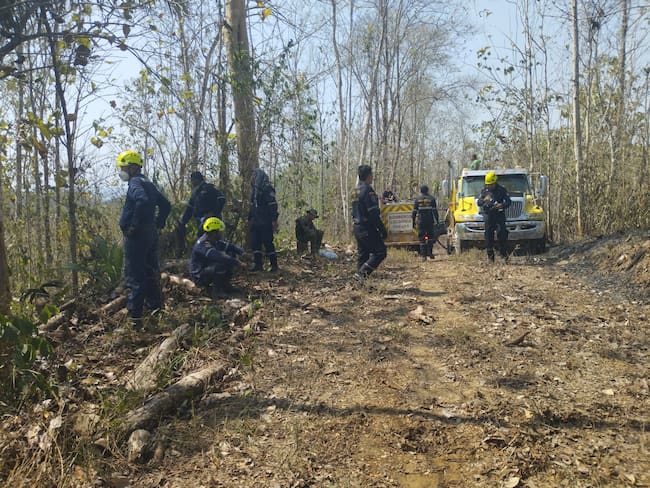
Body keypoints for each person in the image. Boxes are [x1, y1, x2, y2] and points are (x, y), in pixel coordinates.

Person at [117, 150, 171, 329]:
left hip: (137, 237)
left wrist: (134, 226)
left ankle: (135, 320)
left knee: (135, 276)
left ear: (132, 168)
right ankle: (155, 310)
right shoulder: (148, 182)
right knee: (150, 272)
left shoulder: (135, 183)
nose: (122, 171)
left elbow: (142, 200)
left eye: (123, 168)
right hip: (150, 234)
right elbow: (166, 205)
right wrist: (159, 222)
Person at [190, 217, 246, 298]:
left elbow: (230, 247)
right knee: (221, 264)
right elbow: (218, 256)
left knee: (231, 254)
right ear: (214, 232)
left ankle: (225, 285)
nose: (221, 233)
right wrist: (238, 263)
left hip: (208, 269)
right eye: (220, 231)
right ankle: (217, 291)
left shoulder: (214, 241)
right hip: (200, 276)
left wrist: (242, 252)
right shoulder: (202, 244)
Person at [351, 164, 387, 281]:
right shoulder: (368, 190)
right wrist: (382, 229)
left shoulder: (355, 191)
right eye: (372, 174)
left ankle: (360, 283)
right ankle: (361, 274)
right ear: (369, 175)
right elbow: (373, 213)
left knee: (363, 255)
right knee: (380, 252)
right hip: (367, 227)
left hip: (357, 227)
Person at [177, 171, 226, 238]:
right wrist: (183, 221)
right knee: (202, 238)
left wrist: (214, 212)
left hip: (212, 220)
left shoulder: (209, 187)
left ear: (197, 179)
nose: (192, 182)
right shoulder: (195, 193)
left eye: (193, 180)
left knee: (213, 238)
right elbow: (190, 209)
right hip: (200, 220)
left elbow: (221, 198)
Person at [249, 168, 279, 272]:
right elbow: (252, 206)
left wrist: (274, 219)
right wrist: (250, 218)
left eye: (254, 175)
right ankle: (258, 265)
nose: (252, 177)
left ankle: (274, 265)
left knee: (267, 242)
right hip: (255, 221)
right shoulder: (254, 190)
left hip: (265, 221)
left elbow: (272, 205)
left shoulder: (267, 188)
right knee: (255, 242)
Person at [477, 171, 511, 262]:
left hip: (499, 215)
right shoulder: (484, 191)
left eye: (491, 184)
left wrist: (501, 205)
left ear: (495, 182)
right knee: (488, 236)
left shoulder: (502, 190)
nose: (489, 186)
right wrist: (484, 200)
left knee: (502, 235)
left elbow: (508, 202)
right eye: (487, 184)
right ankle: (490, 258)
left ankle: (504, 256)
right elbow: (479, 202)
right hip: (489, 215)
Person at [412, 185, 439, 261]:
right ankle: (429, 252)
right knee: (430, 237)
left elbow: (414, 212)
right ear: (427, 190)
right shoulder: (432, 199)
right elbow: (435, 211)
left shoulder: (417, 199)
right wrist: (437, 221)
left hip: (421, 221)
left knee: (421, 239)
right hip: (430, 221)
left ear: (420, 191)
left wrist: (413, 221)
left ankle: (423, 256)